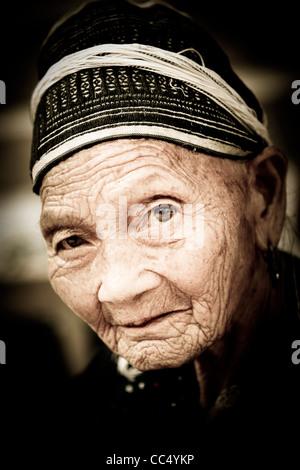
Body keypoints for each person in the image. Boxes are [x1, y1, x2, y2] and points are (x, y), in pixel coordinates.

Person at [28, 0, 299, 465]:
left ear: (264, 197)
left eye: (160, 213)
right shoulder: (86, 410)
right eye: (73, 240)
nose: (116, 290)